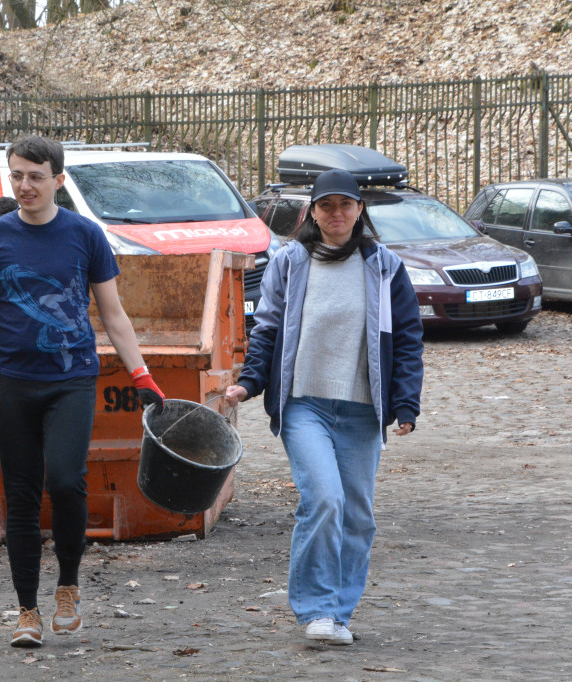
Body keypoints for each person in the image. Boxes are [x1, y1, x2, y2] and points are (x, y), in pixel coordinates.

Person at [0, 135, 165, 649]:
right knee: (20, 496)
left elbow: (113, 313)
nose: (25, 185)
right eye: (17, 175)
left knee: (66, 481)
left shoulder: (85, 235)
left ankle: (67, 585)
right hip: (13, 382)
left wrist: (141, 375)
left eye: (36, 176)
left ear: (58, 180)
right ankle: (27, 610)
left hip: (71, 379)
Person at [224, 169, 424, 645]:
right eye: (326, 205)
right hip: (303, 405)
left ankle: (339, 614)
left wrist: (405, 403)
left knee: (357, 515)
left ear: (360, 211)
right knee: (324, 501)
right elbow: (268, 329)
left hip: (362, 411)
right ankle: (315, 610)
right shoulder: (290, 263)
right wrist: (248, 384)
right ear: (311, 212)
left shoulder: (384, 267)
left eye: (346, 205)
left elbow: (409, 337)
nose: (336, 214)